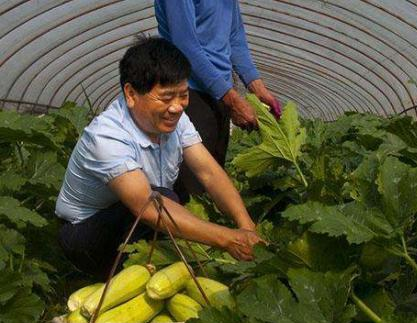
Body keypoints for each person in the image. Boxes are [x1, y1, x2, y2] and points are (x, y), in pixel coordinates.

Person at [55, 36, 263, 279]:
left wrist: (245, 226)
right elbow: (148, 207)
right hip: (85, 235)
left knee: (171, 198)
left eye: (183, 95)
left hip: (134, 218)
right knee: (162, 200)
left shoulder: (175, 119)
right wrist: (228, 239)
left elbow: (210, 173)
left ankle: (150, 275)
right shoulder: (106, 136)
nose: (176, 107)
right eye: (166, 98)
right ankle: (114, 279)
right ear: (131, 94)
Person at [154, 0, 281, 202]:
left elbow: (235, 39)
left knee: (213, 186)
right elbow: (185, 46)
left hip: (218, 94)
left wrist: (258, 88)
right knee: (191, 190)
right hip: (187, 95)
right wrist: (232, 100)